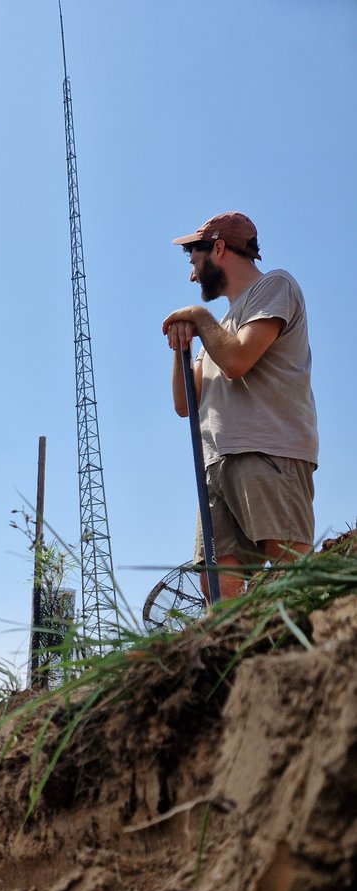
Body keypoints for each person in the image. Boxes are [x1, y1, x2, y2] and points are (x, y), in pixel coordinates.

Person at [162, 211, 318, 601]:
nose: (192, 275)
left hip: (268, 450)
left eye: (195, 261)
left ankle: (308, 655)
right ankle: (238, 659)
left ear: (218, 248)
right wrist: (182, 345)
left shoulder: (274, 287)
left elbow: (237, 361)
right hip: (216, 463)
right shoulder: (222, 323)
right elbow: (185, 404)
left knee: (287, 568)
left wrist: (197, 316)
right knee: (219, 583)